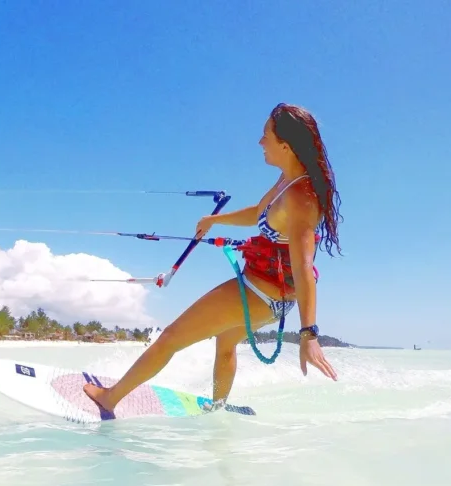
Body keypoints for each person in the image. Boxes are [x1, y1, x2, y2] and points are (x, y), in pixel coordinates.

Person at [83, 103, 342, 415]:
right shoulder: (285, 180)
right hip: (273, 297)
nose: (260, 142)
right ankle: (218, 408)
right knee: (226, 341)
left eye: (265, 136)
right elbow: (259, 214)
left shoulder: (300, 197)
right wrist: (216, 220)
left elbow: (303, 267)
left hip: (261, 293)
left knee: (172, 337)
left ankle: (110, 398)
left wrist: (308, 334)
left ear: (284, 145)